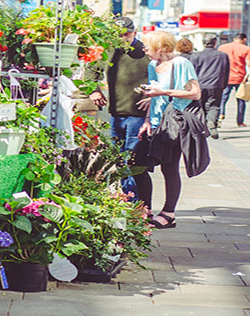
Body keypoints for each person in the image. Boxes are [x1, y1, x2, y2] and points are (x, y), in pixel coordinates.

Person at [137, 31, 202, 229]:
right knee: (138, 164)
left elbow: (195, 93)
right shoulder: (152, 65)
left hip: (173, 122)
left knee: (169, 167)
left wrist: (162, 92)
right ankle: (145, 208)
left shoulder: (181, 64)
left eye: (147, 46)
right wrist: (147, 120)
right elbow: (154, 94)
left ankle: (169, 213)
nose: (144, 49)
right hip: (156, 123)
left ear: (162, 47)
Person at [85, 16, 150, 197]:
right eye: (118, 34)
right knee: (118, 160)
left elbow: (163, 76)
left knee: (131, 160)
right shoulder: (107, 51)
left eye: (126, 34)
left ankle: (133, 203)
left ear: (134, 32)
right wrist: (94, 90)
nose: (122, 37)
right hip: (116, 115)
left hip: (139, 115)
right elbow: (90, 72)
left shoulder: (145, 51)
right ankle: (127, 200)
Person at [190, 33, 230, 139]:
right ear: (215, 43)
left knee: (200, 106)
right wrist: (224, 85)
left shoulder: (196, 56)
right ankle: (211, 121)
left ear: (203, 43)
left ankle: (202, 127)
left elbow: (193, 72)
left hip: (200, 84)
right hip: (216, 84)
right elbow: (226, 71)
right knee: (214, 106)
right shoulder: (222, 56)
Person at [218, 33, 250, 127]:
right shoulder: (246, 49)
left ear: (234, 39)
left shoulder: (222, 47)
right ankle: (240, 121)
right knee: (241, 99)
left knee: (223, 98)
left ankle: (220, 114)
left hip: (225, 77)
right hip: (240, 77)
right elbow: (248, 64)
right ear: (244, 39)